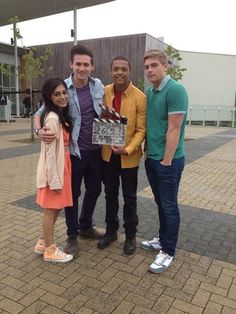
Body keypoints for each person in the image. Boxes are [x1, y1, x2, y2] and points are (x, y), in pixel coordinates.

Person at [34, 45, 104, 257]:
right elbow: (39, 112)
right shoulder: (62, 87)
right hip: (73, 154)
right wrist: (38, 131)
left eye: (86, 64)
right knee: (72, 196)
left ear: (91, 66)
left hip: (95, 151)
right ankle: (72, 236)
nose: (82, 68)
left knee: (95, 190)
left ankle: (85, 226)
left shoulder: (98, 85)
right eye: (78, 64)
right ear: (71, 64)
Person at [141, 49, 188, 273]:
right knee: (161, 203)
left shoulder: (176, 90)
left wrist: (167, 161)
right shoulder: (151, 92)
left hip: (168, 161)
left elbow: (174, 127)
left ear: (165, 66)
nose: (150, 70)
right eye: (147, 67)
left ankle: (168, 251)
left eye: (154, 65)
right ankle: (162, 239)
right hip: (152, 158)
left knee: (169, 206)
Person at [97, 56, 146, 255]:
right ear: (111, 71)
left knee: (130, 196)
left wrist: (128, 149)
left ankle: (131, 235)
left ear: (130, 71)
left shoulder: (139, 97)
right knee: (110, 195)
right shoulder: (104, 92)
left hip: (128, 156)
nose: (119, 72)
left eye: (123, 69)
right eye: (116, 69)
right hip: (108, 155)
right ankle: (111, 231)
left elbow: (141, 130)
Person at [34, 77, 73, 263]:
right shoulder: (52, 118)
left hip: (63, 166)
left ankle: (42, 242)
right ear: (49, 97)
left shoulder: (58, 115)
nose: (62, 97)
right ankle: (50, 251)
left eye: (64, 92)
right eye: (57, 94)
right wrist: (54, 180)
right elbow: (50, 154)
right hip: (55, 170)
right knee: (51, 210)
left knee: (56, 208)